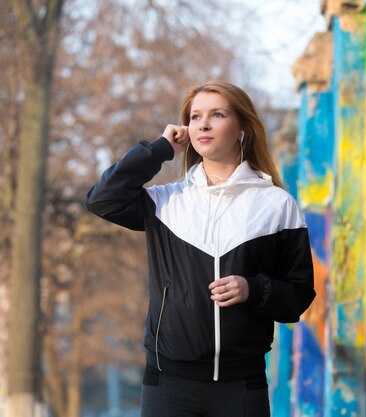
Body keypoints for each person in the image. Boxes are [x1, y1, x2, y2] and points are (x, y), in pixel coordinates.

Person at [85, 81, 316, 417]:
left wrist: (253, 288)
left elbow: (298, 296)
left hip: (241, 386)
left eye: (217, 114)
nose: (203, 124)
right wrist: (160, 149)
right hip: (167, 385)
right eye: (195, 117)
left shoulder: (277, 206)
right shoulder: (165, 202)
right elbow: (102, 199)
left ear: (243, 129)